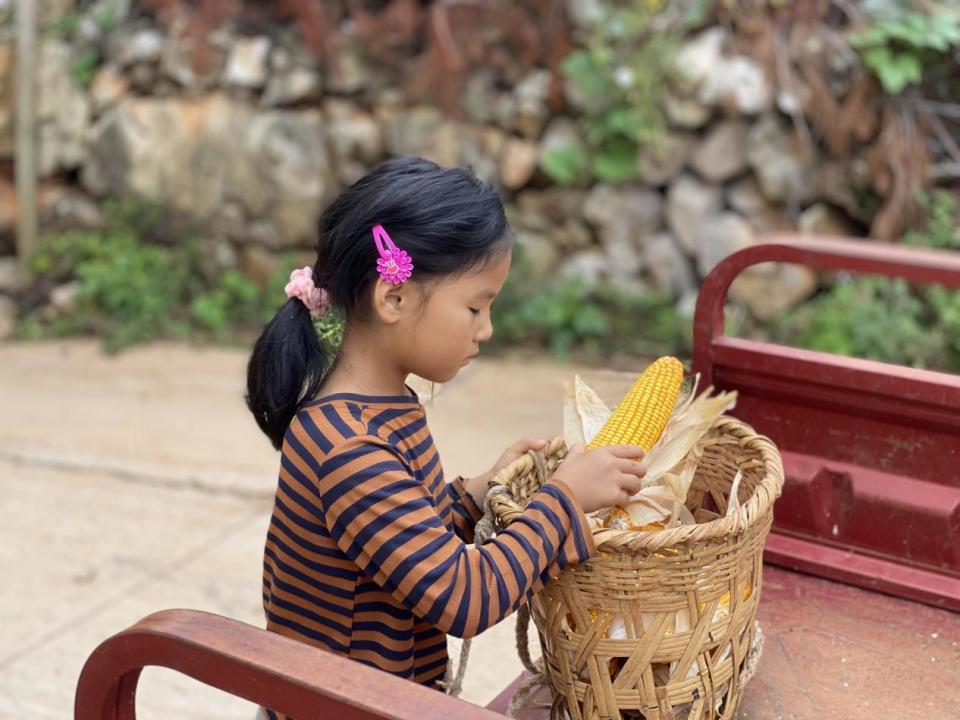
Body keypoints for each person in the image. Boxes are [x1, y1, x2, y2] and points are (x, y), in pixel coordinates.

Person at [245, 156, 646, 719]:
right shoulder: (349, 449)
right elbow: (463, 597)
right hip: (344, 707)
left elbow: (404, 540)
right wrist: (565, 500)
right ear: (394, 299)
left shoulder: (380, 409)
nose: (486, 329)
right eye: (476, 306)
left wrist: (475, 494)